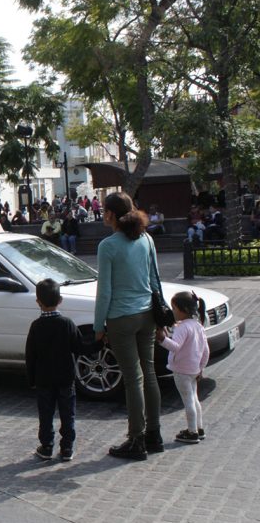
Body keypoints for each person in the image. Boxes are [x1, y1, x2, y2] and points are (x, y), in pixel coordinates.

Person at [94, 192, 161, 460]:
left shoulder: (108, 246)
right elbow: (155, 279)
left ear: (111, 214)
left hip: (122, 318)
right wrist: (162, 317)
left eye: (103, 210)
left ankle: (136, 439)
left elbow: (105, 292)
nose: (101, 214)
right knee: (150, 372)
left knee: (133, 378)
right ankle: (154, 434)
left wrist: (99, 325)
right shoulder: (146, 238)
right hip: (147, 313)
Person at [27, 279, 94, 461]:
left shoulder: (36, 326)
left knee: (46, 414)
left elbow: (30, 355)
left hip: (44, 379)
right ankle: (66, 448)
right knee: (67, 413)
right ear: (60, 300)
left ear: (38, 302)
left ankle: (47, 446)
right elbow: (80, 347)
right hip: (65, 377)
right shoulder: (67, 324)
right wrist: (99, 342)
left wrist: (31, 378)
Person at [156, 292, 210, 445]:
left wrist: (162, 339)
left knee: (188, 401)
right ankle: (199, 428)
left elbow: (175, 347)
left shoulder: (182, 328)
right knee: (194, 398)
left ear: (183, 309)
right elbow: (205, 350)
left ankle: (192, 432)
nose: (172, 312)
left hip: (181, 370)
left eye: (174, 308)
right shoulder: (198, 326)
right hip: (194, 370)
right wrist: (201, 368)